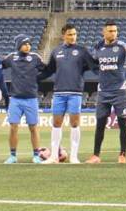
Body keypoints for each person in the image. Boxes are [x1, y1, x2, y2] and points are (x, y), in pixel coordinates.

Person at [87, 21, 126, 163]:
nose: (113, 33)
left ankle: (122, 154)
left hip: (119, 91)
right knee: (100, 124)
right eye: (110, 31)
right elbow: (92, 63)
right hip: (103, 91)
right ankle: (96, 155)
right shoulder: (98, 47)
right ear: (103, 32)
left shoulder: (123, 47)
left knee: (123, 123)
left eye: (115, 31)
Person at [40, 23, 95, 164]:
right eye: (70, 34)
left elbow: (94, 66)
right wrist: (32, 77)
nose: (73, 37)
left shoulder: (82, 51)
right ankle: (53, 156)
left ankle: (74, 156)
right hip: (58, 92)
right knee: (56, 123)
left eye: (75, 34)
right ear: (63, 35)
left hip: (75, 92)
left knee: (74, 123)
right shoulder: (56, 51)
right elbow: (49, 70)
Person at [0, 34, 44, 163]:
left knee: (33, 127)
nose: (28, 46)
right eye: (25, 44)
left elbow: (46, 70)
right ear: (19, 45)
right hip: (15, 99)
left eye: (29, 44)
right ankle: (13, 155)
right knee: (13, 127)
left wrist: (37, 79)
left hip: (31, 98)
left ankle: (36, 155)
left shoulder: (36, 58)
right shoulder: (11, 58)